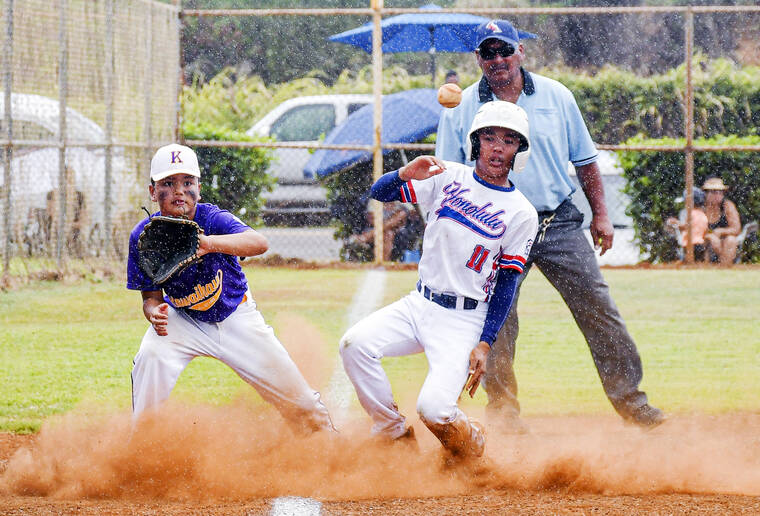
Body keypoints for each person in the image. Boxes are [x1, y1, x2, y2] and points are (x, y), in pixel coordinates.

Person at [435, 19, 664, 432]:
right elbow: (446, 174)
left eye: (505, 50)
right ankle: (504, 415)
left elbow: (585, 159)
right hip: (494, 227)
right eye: (488, 53)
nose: (498, 60)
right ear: (478, 59)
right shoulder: (463, 105)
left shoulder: (556, 96)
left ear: (521, 51)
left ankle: (633, 403)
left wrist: (602, 214)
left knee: (598, 309)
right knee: (498, 324)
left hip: (556, 221)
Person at [340, 101, 538, 458]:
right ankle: (392, 432)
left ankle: (472, 442)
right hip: (419, 304)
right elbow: (379, 193)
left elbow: (508, 283)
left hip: (464, 320)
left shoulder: (521, 212)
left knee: (434, 410)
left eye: (508, 140)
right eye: (489, 137)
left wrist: (485, 343)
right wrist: (405, 173)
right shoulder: (447, 177)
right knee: (354, 345)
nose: (497, 147)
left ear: (518, 150)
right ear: (476, 141)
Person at [127, 143, 334, 434]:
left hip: (237, 317)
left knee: (303, 406)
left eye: (188, 182)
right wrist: (153, 313)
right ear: (152, 192)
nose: (179, 191)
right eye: (168, 183)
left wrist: (208, 244)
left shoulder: (211, 219)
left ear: (199, 187)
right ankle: (142, 445)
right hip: (184, 320)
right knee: (152, 353)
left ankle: (325, 442)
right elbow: (150, 297)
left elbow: (258, 242)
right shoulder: (142, 236)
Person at [701, 176, 742, 265]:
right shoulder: (701, 208)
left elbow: (736, 229)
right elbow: (696, 230)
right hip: (705, 242)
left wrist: (720, 231)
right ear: (706, 194)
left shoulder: (727, 206)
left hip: (725, 241)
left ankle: (724, 267)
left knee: (731, 240)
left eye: (720, 192)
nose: (718, 195)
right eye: (714, 192)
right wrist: (710, 236)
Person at [666, 187, 709, 261]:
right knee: (698, 261)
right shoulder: (702, 214)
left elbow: (686, 226)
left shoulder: (691, 214)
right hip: (700, 243)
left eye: (685, 202)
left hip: (690, 243)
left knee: (688, 261)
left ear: (691, 202)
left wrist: (675, 222)